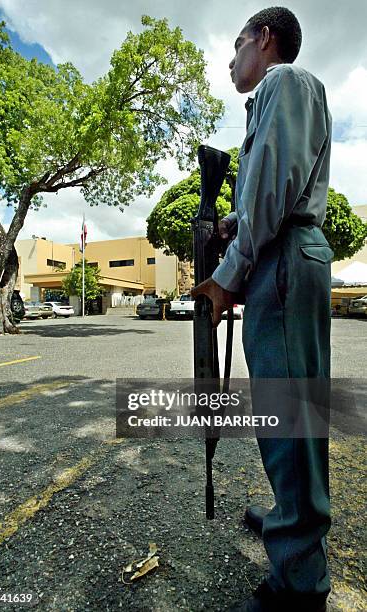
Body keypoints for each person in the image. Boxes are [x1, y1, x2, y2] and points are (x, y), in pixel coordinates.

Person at [191, 7, 333, 612]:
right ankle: (291, 518)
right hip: (280, 258)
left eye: (236, 45)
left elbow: (273, 189)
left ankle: (299, 584)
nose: (230, 60)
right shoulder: (276, 99)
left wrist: (228, 273)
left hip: (284, 259)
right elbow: (265, 192)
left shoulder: (285, 82)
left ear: (264, 40)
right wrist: (229, 225)